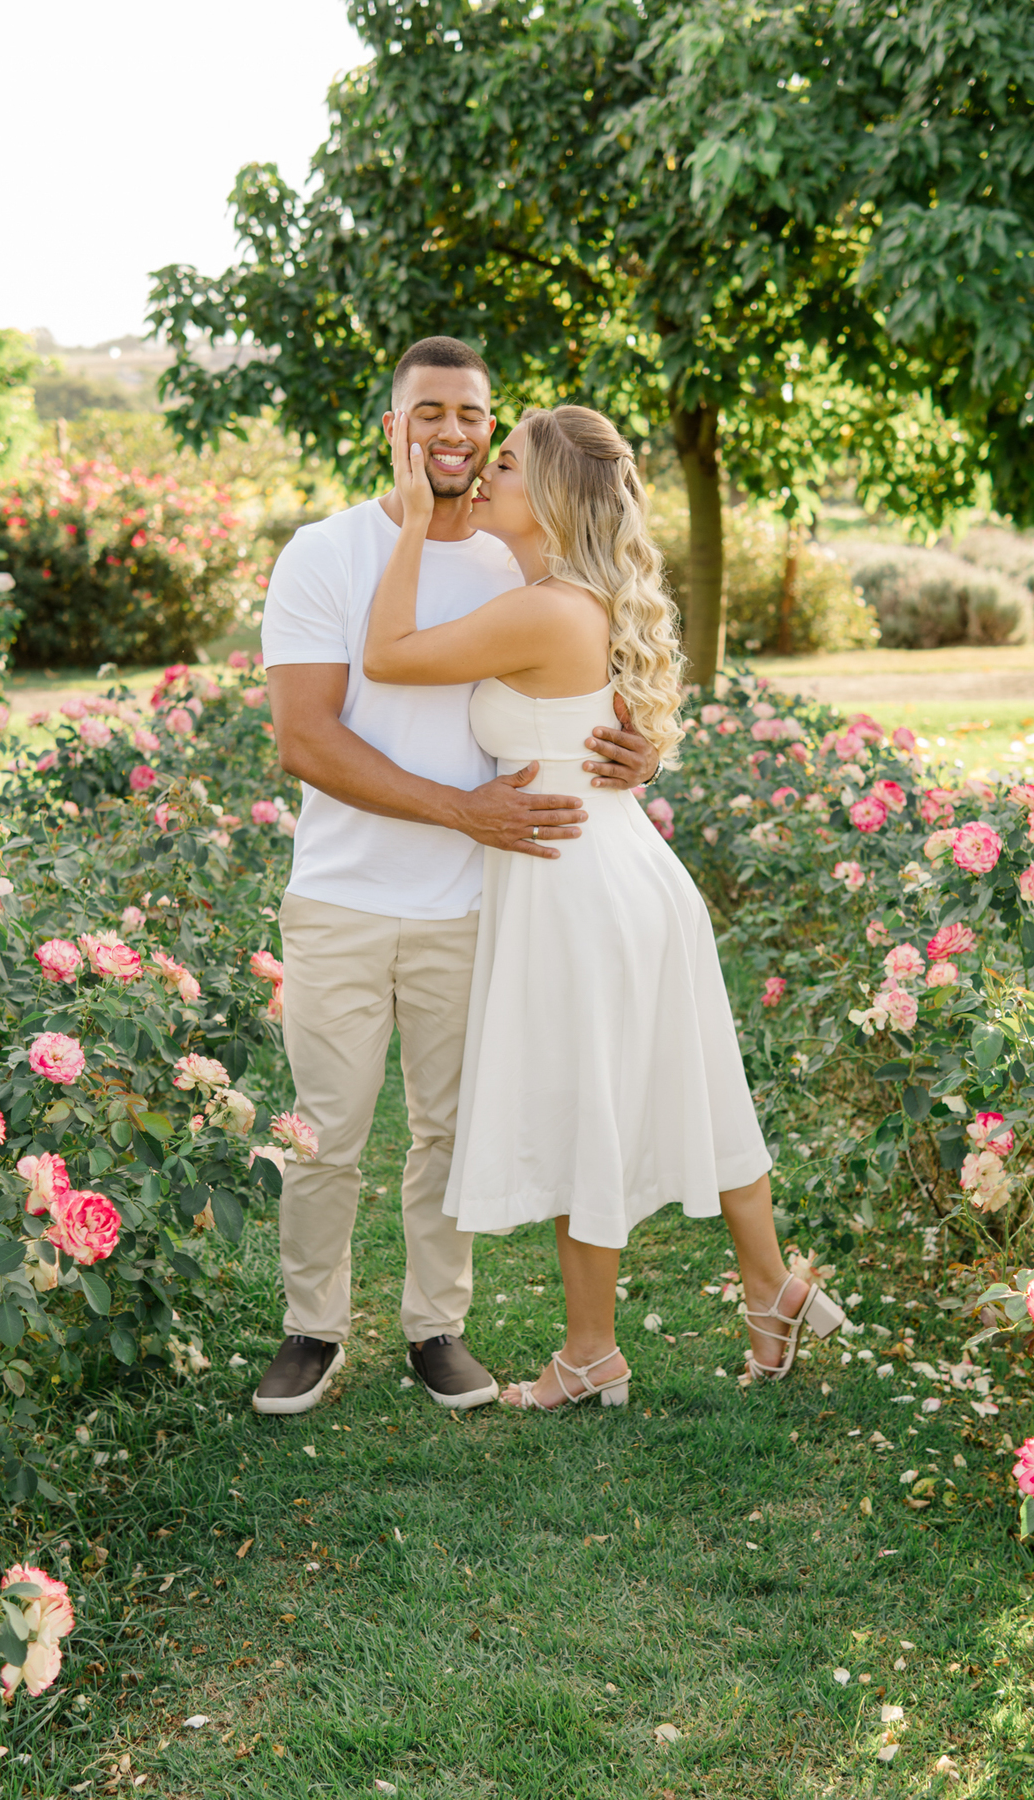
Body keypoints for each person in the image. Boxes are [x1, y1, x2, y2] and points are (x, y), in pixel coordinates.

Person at [363, 402, 845, 1407]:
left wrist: (411, 522)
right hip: (622, 872)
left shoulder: (546, 609)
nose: (485, 474)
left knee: (590, 1103)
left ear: (545, 495)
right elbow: (615, 735)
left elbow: (389, 655)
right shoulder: (578, 595)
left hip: (575, 883)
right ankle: (770, 1288)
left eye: (505, 463)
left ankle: (591, 1355)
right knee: (696, 1084)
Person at [253, 338, 659, 1416]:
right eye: (427, 410)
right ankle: (312, 1330)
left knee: (448, 1130)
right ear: (392, 426)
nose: (450, 432)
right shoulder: (323, 554)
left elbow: (599, 673)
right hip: (342, 892)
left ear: (490, 430)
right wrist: (459, 810)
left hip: (476, 902)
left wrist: (642, 748)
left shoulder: (513, 549)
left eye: (471, 414)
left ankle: (438, 1325)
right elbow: (305, 738)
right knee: (324, 1131)